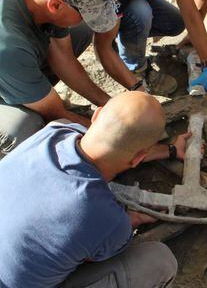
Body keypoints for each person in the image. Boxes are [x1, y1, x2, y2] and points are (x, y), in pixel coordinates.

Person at [0, 91, 192, 287]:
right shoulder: (106, 217)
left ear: (96, 115)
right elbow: (90, 258)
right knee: (158, 262)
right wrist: (134, 219)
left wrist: (169, 150)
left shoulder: (55, 131)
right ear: (137, 159)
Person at [0, 0, 121, 158]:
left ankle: (30, 89)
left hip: (14, 65)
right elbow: (55, 112)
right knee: (24, 126)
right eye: (84, 12)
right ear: (55, 5)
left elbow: (64, 58)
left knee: (81, 30)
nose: (88, 17)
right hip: (8, 63)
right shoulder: (9, 45)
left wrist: (110, 105)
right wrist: (116, 134)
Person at [94, 0, 207, 96]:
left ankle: (127, 32)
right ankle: (137, 70)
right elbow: (102, 46)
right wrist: (136, 87)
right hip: (103, 5)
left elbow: (191, 16)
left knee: (175, 22)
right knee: (141, 12)